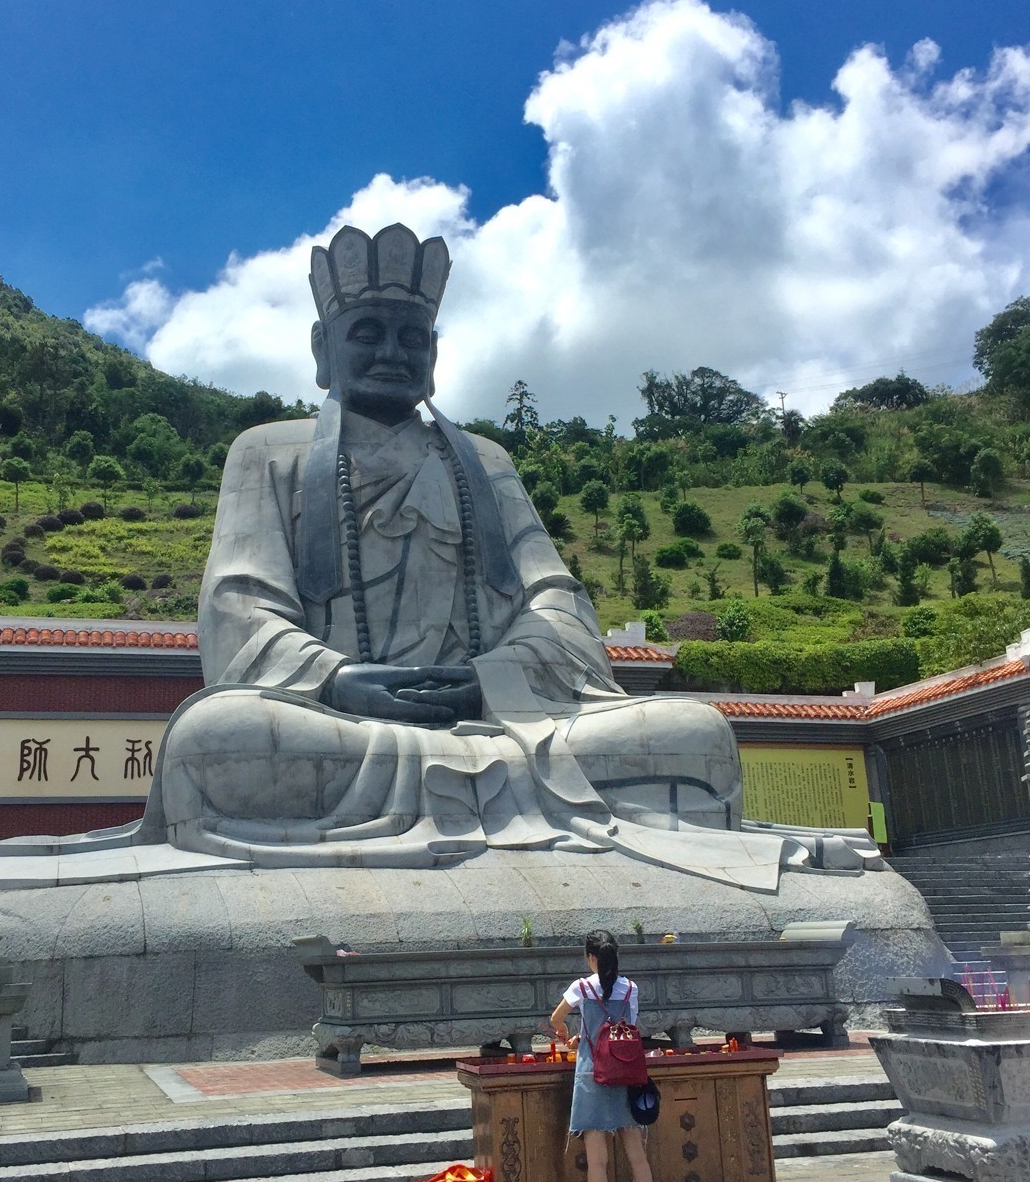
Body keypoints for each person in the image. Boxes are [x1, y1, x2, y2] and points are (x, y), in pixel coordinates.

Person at [140, 221, 841, 891]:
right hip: (343, 726)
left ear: (435, 355)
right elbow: (240, 606)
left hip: (502, 721)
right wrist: (338, 679)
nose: (392, 351)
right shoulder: (267, 451)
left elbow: (557, 604)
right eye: (368, 332)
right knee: (214, 738)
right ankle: (487, 800)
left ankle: (460, 792)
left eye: (412, 336)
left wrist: (490, 680)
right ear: (324, 349)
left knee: (696, 731)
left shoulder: (486, 462)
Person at [550, 929, 655, 1182]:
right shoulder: (631, 989)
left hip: (593, 1078)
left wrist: (571, 1035)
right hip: (626, 1076)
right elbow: (629, 1027)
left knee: (598, 1163)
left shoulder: (581, 987)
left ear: (591, 958)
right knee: (638, 1158)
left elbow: (556, 1018)